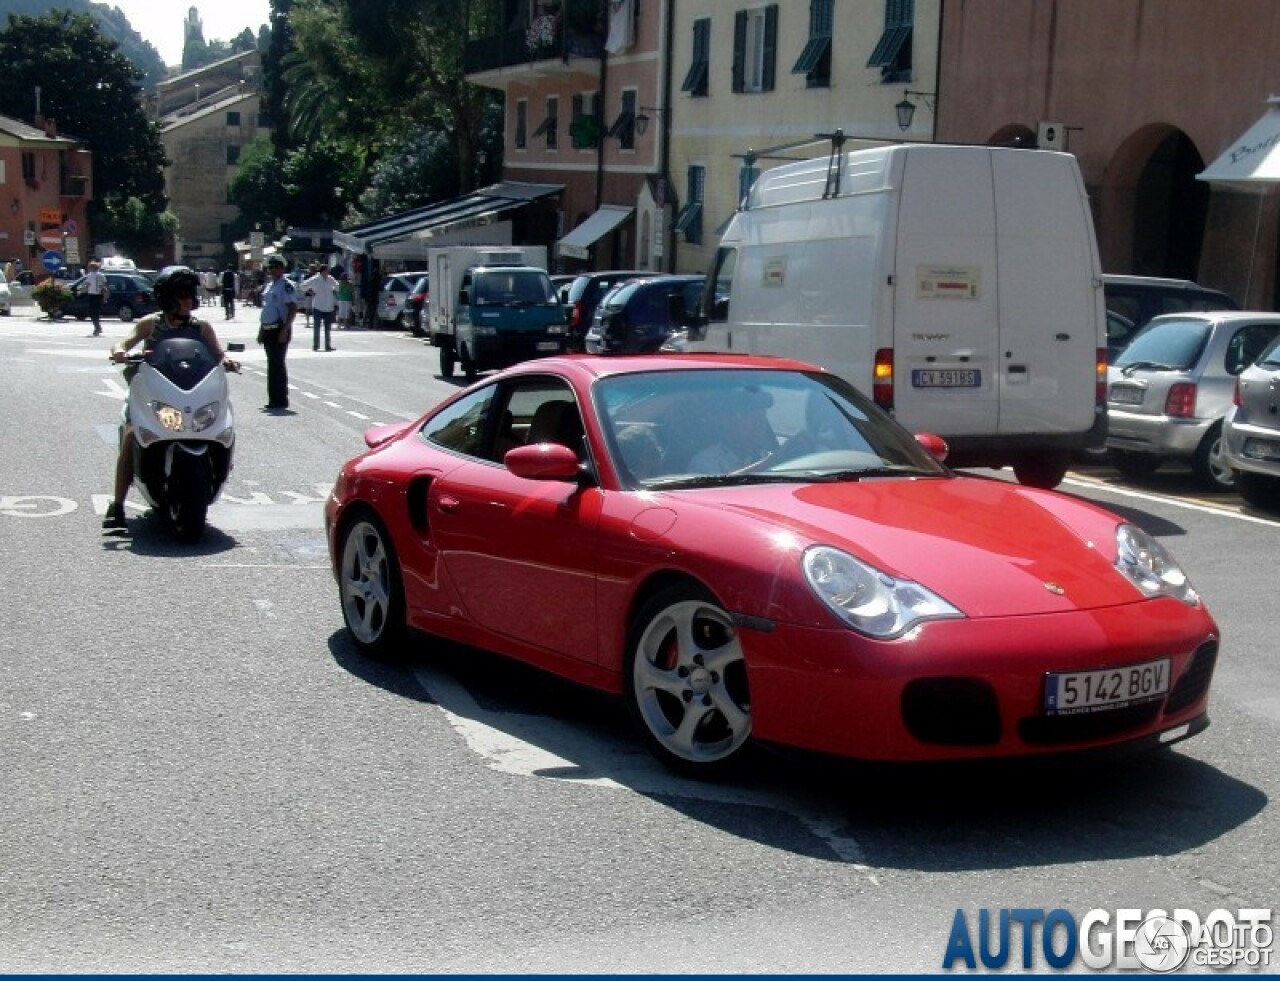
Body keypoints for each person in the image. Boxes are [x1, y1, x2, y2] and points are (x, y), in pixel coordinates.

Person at [102, 266, 240, 529]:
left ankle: (218, 468)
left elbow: (218, 354)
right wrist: (120, 352)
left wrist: (228, 360)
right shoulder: (151, 324)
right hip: (153, 394)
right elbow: (123, 343)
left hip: (191, 394)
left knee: (222, 424)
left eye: (191, 293)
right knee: (132, 435)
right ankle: (117, 504)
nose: (189, 299)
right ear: (167, 297)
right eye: (182, 294)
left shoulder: (202, 327)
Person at [259, 256, 298, 410]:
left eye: (276, 267)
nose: (273, 270)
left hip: (279, 328)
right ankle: (273, 398)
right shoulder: (270, 286)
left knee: (277, 364)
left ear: (283, 269)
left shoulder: (286, 286)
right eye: (271, 267)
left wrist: (285, 329)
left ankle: (280, 399)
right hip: (268, 328)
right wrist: (261, 330)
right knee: (271, 364)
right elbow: (267, 309)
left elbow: (292, 308)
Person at [301, 264, 338, 351]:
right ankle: (315, 345)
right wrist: (310, 292)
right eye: (327, 270)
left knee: (327, 328)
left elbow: (337, 286)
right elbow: (303, 286)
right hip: (318, 306)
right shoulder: (315, 279)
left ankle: (327, 346)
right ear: (323, 271)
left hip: (328, 306)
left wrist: (334, 291)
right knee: (317, 327)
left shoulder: (330, 278)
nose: (328, 272)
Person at [83, 260, 110, 337]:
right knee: (96, 312)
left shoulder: (90, 275)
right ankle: (98, 327)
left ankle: (97, 327)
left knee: (92, 313)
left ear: (92, 268)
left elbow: (87, 285)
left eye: (89, 267)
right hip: (99, 295)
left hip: (92, 295)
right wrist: (105, 297)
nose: (88, 268)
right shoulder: (102, 275)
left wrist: (81, 291)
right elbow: (104, 286)